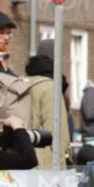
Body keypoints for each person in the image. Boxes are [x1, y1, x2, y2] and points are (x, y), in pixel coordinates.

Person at [24, 39, 71, 169]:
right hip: (45, 160)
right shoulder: (51, 86)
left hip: (24, 155)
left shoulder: (22, 81)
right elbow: (56, 132)